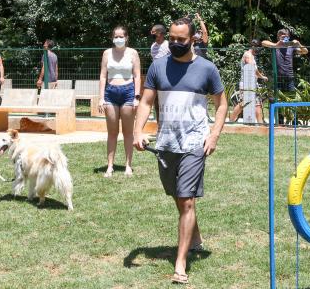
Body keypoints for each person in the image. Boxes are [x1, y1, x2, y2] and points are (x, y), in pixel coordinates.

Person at [133, 16, 228, 285]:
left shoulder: (207, 69)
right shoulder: (158, 66)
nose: (174, 43)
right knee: (178, 196)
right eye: (172, 38)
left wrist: (214, 135)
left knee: (186, 199)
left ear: (193, 39)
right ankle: (195, 234)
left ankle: (180, 262)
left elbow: (221, 104)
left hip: (194, 143)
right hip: (166, 143)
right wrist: (138, 131)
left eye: (180, 40)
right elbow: (146, 102)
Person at [98, 26, 141, 178]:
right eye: (116, 36)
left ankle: (128, 166)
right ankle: (110, 166)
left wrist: (137, 98)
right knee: (112, 132)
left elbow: (137, 76)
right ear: (112, 38)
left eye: (121, 36)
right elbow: (103, 76)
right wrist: (101, 97)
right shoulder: (106, 53)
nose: (118, 39)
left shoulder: (133, 53)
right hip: (110, 92)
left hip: (128, 92)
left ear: (126, 37)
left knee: (128, 132)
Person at [230, 39, 269, 123]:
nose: (259, 51)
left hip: (253, 84)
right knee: (243, 103)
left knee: (258, 104)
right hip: (246, 84)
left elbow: (255, 71)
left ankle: (260, 126)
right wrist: (261, 76)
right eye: (258, 48)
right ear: (253, 46)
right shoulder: (248, 55)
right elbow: (251, 68)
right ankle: (230, 122)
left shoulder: (252, 56)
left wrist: (262, 77)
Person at [150, 24, 170, 121]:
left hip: (167, 78)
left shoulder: (168, 45)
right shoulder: (153, 46)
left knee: (167, 104)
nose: (153, 36)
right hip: (156, 79)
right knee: (157, 104)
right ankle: (159, 127)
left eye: (154, 34)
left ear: (161, 34)